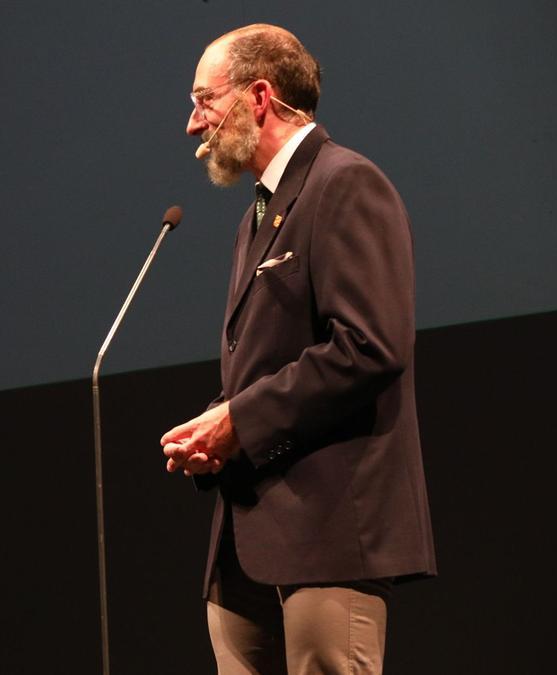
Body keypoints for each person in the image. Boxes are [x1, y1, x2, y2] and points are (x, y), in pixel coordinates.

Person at [160, 25, 435, 674]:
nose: (193, 125)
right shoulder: (259, 211)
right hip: (247, 540)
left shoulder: (345, 183)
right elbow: (270, 361)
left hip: (329, 533)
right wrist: (216, 426)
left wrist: (241, 421)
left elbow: (369, 347)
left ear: (259, 97)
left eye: (205, 100)